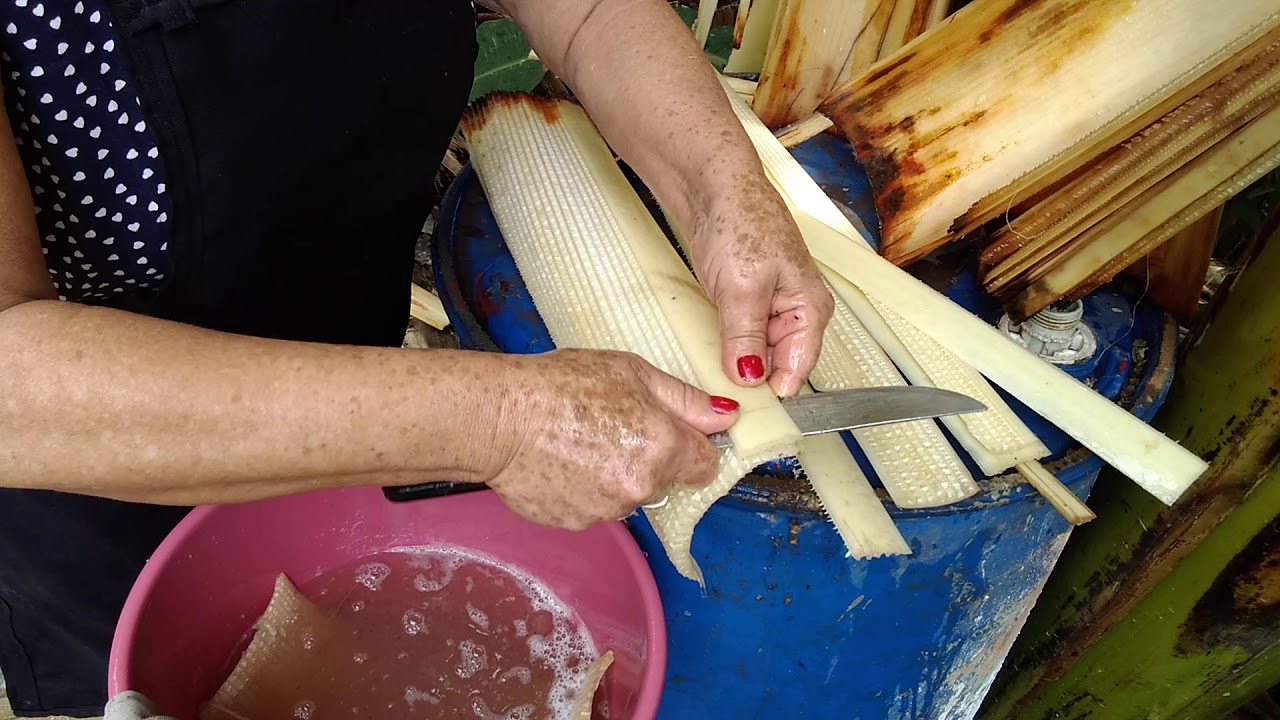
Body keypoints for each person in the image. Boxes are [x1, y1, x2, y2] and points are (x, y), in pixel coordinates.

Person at [0, 0, 833, 715]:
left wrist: (725, 185)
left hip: (366, 352)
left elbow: (586, 11)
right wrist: (499, 422)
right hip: (106, 449)